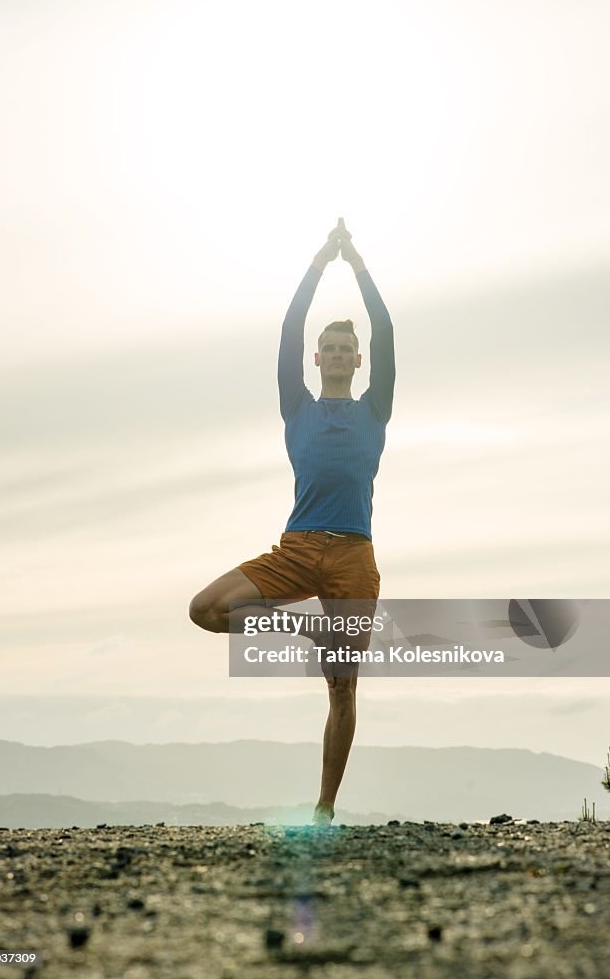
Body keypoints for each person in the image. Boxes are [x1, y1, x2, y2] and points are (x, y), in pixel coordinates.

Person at [189, 220, 395, 824]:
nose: (335, 354)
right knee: (205, 608)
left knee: (343, 685)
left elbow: (385, 328)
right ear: (317, 359)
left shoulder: (374, 410)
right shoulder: (296, 404)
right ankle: (306, 632)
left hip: (355, 556)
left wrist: (355, 264)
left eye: (344, 349)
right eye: (326, 348)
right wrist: (315, 265)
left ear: (356, 361)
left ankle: (325, 809)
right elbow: (287, 328)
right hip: (297, 550)